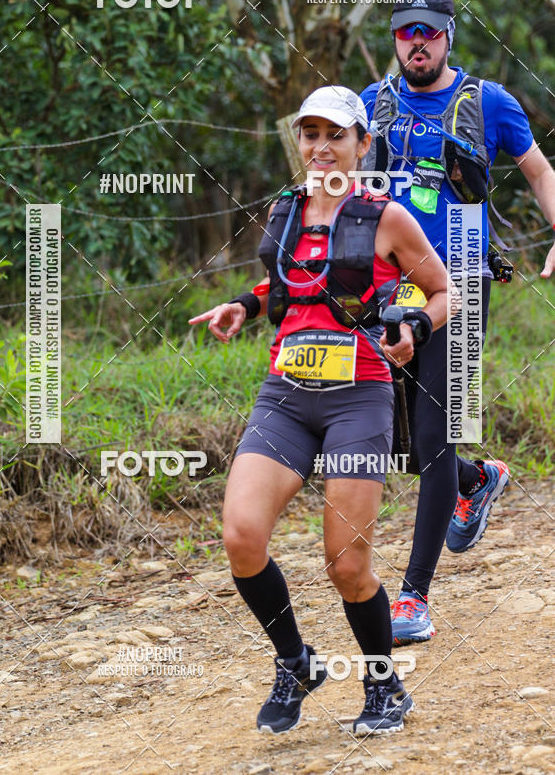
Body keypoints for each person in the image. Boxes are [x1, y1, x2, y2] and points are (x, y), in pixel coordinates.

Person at [190, 85, 452, 737]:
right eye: (309, 134)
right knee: (242, 538)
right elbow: (291, 278)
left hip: (358, 396)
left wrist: (417, 324)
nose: (320, 147)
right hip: (284, 393)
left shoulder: (387, 216)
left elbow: (443, 287)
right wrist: (245, 307)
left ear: (363, 145)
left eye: (335, 134)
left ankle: (383, 686)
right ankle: (295, 662)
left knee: (347, 564)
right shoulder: (284, 209)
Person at [359, 0, 555, 646]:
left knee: (435, 434)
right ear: (395, 39)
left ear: (449, 36)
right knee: (405, 439)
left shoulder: (488, 102)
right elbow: (338, 181)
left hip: (463, 279)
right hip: (394, 287)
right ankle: (480, 479)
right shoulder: (372, 105)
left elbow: (537, 171)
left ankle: (412, 597)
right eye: (406, 32)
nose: (418, 43)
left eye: (430, 32)